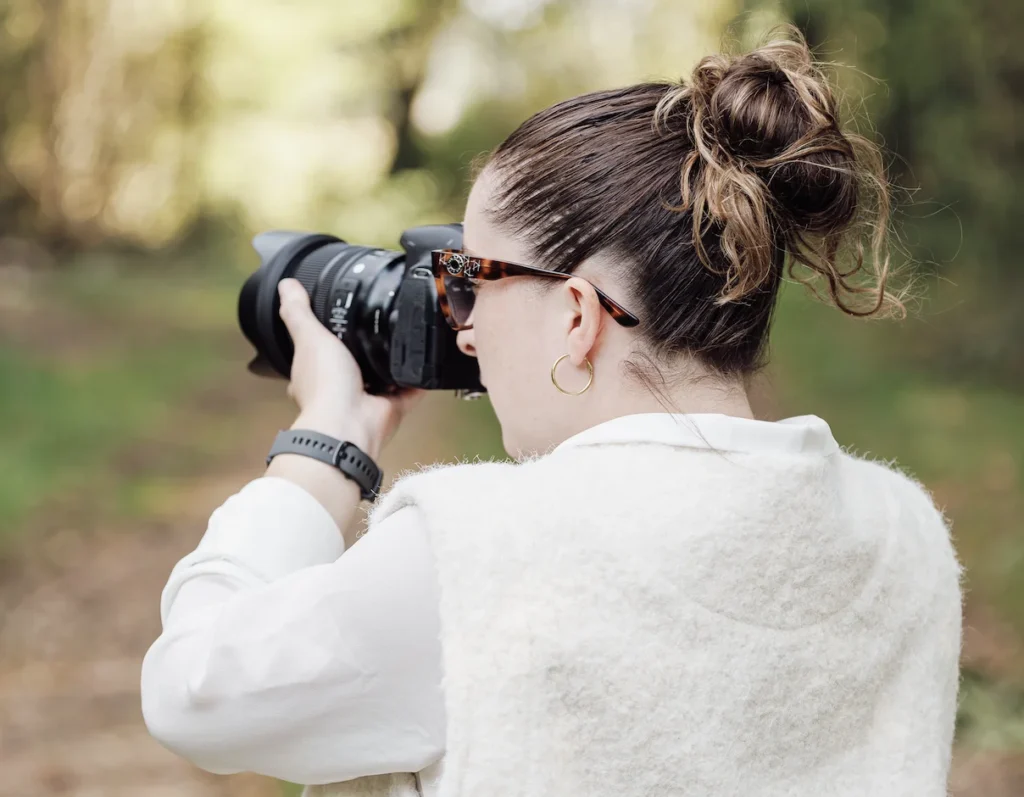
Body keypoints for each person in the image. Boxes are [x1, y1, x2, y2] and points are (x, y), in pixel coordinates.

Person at [141, 26, 963, 797]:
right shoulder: (905, 532)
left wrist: (325, 446)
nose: (461, 329)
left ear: (577, 316)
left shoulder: (484, 553)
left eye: (470, 280)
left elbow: (194, 692)